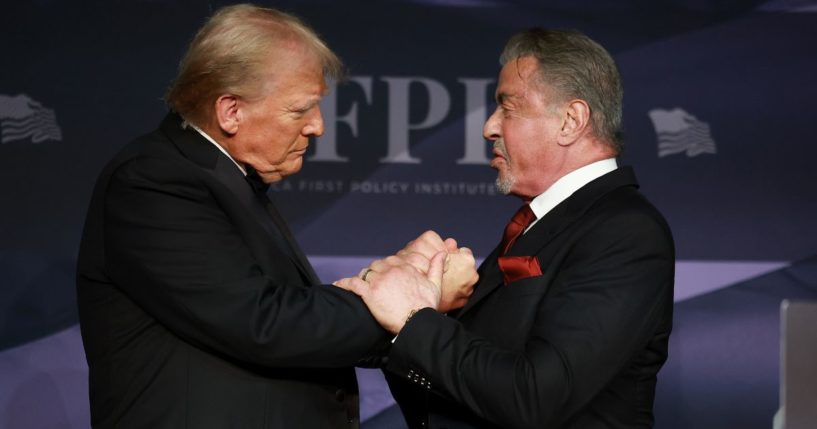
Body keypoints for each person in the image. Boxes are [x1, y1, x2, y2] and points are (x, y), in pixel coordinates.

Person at [75, 4, 476, 428]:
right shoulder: (155, 181)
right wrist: (413, 305)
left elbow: (278, 312)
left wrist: (394, 282)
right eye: (300, 110)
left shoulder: (224, 179)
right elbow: (263, 323)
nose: (318, 127)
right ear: (231, 111)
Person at [336, 28, 675, 428]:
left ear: (571, 120)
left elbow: (534, 397)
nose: (489, 128)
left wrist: (413, 318)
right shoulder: (538, 224)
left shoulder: (624, 231)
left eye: (508, 107)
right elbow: (464, 392)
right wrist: (410, 313)